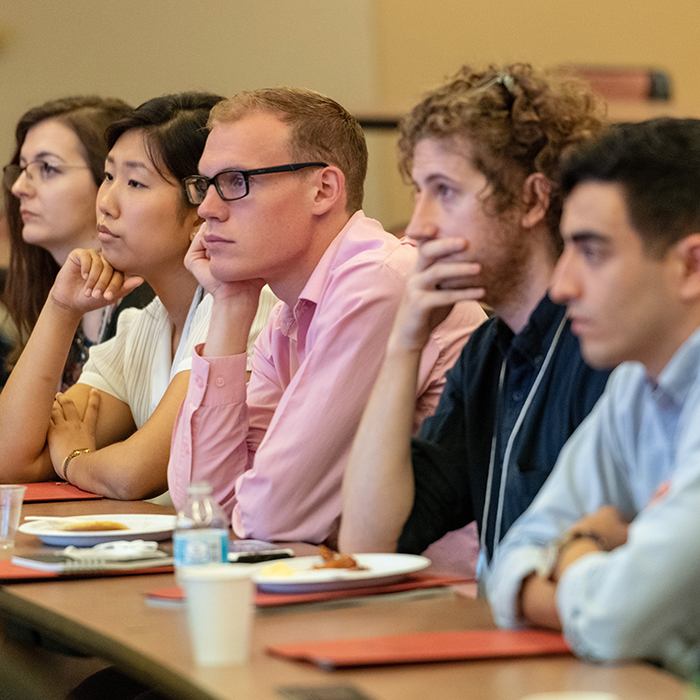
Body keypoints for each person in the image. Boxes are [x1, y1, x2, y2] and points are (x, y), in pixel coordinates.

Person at [167, 86, 486, 544]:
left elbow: (272, 516)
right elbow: (201, 503)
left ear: (323, 189)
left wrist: (265, 507)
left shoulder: (380, 281)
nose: (207, 210)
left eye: (235, 182)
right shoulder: (286, 318)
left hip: (448, 597)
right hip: (366, 586)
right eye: (205, 185)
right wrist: (230, 306)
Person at [339, 64, 610, 576]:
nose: (417, 227)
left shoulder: (604, 347)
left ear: (532, 199)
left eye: (444, 191)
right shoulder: (489, 351)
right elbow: (369, 542)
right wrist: (404, 344)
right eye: (419, 191)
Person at [487, 118, 700, 679]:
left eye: (593, 252)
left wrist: (576, 549)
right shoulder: (637, 382)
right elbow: (508, 556)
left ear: (691, 266)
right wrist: (600, 574)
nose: (562, 286)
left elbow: (620, 619)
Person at [0, 92, 276, 498]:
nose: (106, 204)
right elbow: (11, 459)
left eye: (135, 182)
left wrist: (73, 457)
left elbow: (133, 473)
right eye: (109, 177)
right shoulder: (141, 325)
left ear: (201, 207)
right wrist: (61, 309)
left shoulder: (245, 307)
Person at [0, 96, 150, 392]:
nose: (19, 188)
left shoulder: (151, 303)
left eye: (47, 168)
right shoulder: (49, 291)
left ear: (108, 179)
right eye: (22, 168)